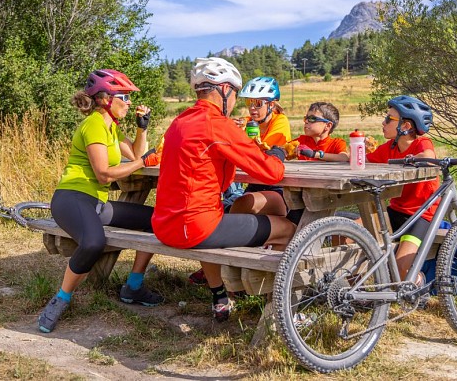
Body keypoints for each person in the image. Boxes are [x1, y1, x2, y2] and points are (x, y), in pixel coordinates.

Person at [151, 57, 296, 321]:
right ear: (225, 90)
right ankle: (277, 303)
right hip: (195, 228)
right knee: (288, 228)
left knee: (222, 215)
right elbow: (272, 172)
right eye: (237, 94)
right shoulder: (218, 124)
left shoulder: (178, 122)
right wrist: (277, 153)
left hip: (164, 224)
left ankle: (220, 294)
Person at [38, 69, 163, 334]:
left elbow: (136, 154)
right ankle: (61, 298)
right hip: (71, 198)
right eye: (124, 98)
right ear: (106, 99)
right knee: (94, 242)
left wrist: (143, 129)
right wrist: (142, 162)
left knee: (156, 220)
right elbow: (104, 173)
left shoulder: (111, 128)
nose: (129, 103)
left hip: (96, 204)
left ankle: (134, 286)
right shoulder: (94, 124)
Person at [189, 76, 292, 286]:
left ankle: (229, 268)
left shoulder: (280, 122)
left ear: (271, 105)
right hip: (257, 183)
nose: (252, 109)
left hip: (278, 188)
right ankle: (226, 267)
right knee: (234, 206)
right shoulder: (250, 121)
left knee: (242, 204)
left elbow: (265, 153)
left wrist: (239, 137)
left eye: (258, 104)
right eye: (248, 103)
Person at [364, 95, 440, 285]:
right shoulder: (388, 148)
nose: (383, 122)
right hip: (395, 211)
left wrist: (410, 159)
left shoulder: (421, 144)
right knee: (345, 235)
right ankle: (354, 294)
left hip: (421, 216)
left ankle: (419, 284)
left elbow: (429, 156)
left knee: (401, 270)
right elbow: (362, 160)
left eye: (389, 119)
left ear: (405, 126)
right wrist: (319, 155)